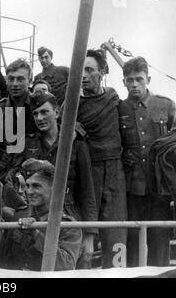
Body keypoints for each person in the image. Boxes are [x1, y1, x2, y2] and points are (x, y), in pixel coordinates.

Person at [118, 57, 176, 267]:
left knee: (159, 239)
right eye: (130, 80)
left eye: (139, 79)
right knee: (133, 240)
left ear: (148, 79)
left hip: (160, 187)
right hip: (131, 187)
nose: (134, 84)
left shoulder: (166, 105)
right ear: (123, 81)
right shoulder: (119, 108)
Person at [77, 49, 127, 268]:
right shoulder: (73, 107)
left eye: (89, 70)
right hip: (89, 172)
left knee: (117, 233)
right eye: (81, 70)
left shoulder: (113, 97)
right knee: (85, 237)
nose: (84, 75)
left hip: (116, 172)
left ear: (102, 72)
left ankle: (117, 274)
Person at [0, 159, 82, 271]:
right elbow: (4, 260)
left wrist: (36, 233)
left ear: (54, 188)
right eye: (27, 186)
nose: (29, 191)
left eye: (36, 186)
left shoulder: (68, 226)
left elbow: (65, 265)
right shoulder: (20, 215)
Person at [0, 58, 38, 178]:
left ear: (30, 80)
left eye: (20, 79)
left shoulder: (38, 105)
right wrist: (1, 172)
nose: (15, 84)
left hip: (35, 170)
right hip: (9, 173)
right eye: (11, 79)